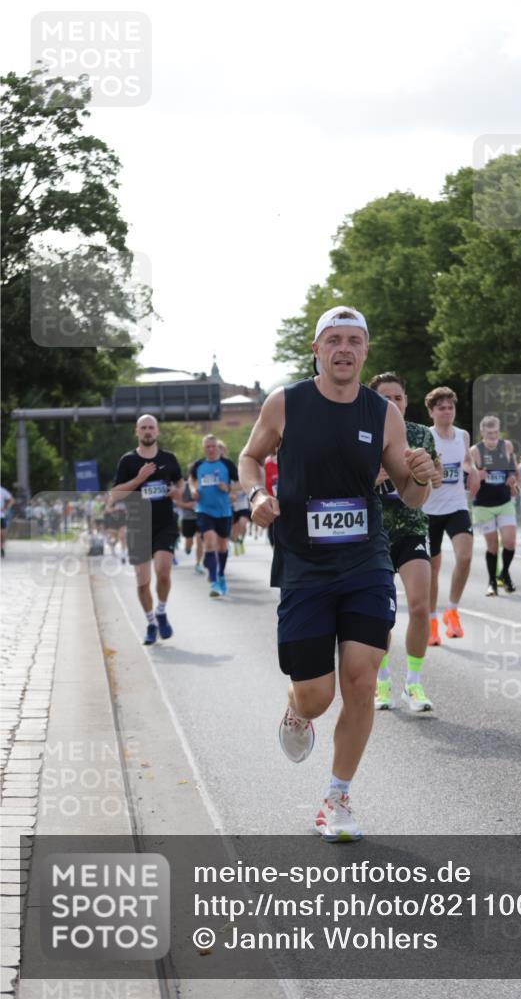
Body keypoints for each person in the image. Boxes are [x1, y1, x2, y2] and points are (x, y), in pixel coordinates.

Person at [239, 305, 435, 842]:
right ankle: (296, 710)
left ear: (365, 350)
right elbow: (250, 457)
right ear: (317, 350)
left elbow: (410, 495)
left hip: (365, 560)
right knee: (317, 695)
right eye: (334, 340)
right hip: (304, 563)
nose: (344, 349)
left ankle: (337, 797)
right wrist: (256, 494)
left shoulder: (383, 413)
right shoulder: (285, 403)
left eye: (354, 340)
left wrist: (422, 477)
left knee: (361, 679)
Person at [368, 373, 441, 711]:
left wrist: (429, 476)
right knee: (381, 615)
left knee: (420, 605)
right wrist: (371, 478)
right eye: (385, 398)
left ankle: (413, 683)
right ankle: (382, 681)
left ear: (406, 401)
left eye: (398, 397)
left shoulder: (421, 434)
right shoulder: (362, 432)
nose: (392, 403)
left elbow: (435, 478)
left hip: (411, 526)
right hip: (373, 533)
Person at [111, 414, 183, 644]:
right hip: (138, 526)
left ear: (157, 431)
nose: (148, 431)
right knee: (142, 583)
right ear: (137, 432)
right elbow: (116, 494)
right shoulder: (128, 461)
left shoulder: (169, 458)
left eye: (151, 427)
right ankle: (151, 622)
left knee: (163, 572)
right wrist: (138, 479)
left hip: (165, 524)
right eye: (143, 428)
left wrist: (177, 491)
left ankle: (161, 611)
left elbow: (179, 482)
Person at [421, 386, 480, 644]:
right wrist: (432, 472)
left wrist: (473, 470)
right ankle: (432, 621)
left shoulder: (462, 435)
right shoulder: (426, 436)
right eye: (441, 408)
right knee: (433, 570)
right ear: (431, 412)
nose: (447, 412)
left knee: (465, 556)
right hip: (429, 510)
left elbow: (466, 461)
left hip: (456, 506)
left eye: (450, 407)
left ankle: (452, 610)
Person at [470, 416, 518, 596]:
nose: (492, 436)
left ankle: (504, 573)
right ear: (482, 432)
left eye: (496, 433)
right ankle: (492, 582)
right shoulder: (475, 451)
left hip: (504, 501)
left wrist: (512, 478)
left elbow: (512, 468)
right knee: (492, 545)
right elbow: (467, 477)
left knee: (510, 541)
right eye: (489, 433)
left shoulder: (506, 446)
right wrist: (477, 475)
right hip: (483, 505)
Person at [190, 435, 239, 597]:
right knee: (210, 542)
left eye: (213, 446)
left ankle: (221, 574)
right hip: (204, 509)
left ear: (218, 447)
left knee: (222, 547)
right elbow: (191, 480)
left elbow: (240, 483)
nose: (211, 449)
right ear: (203, 448)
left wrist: (229, 489)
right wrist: (194, 490)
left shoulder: (227, 464)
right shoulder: (198, 465)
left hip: (224, 511)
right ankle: (214, 582)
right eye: (207, 447)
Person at [1, 485, 15, 557]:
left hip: (1, 516)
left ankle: (2, 547)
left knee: (2, 534)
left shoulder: (2, 490)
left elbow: (12, 500)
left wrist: (5, 507)